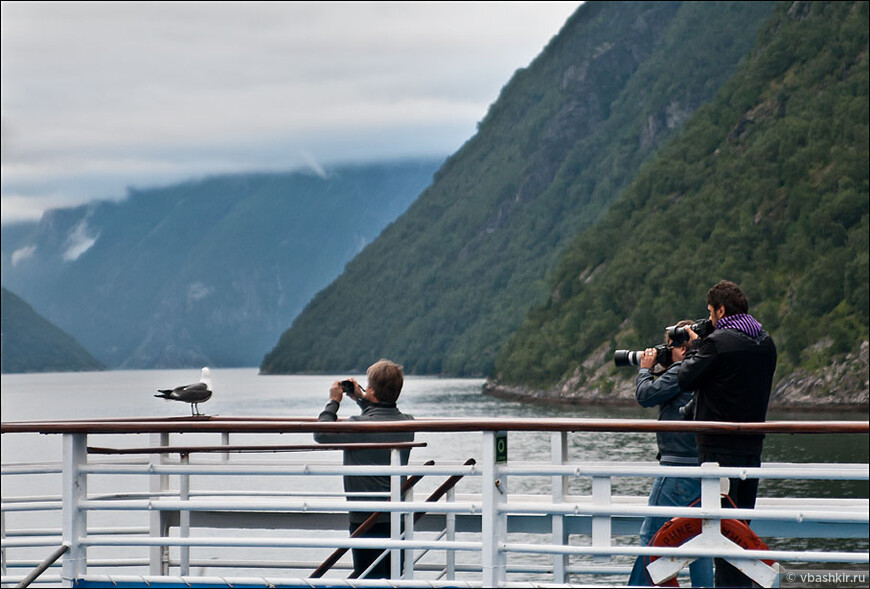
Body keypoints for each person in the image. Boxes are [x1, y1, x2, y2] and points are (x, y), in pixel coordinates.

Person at [678, 280, 777, 587]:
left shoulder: (717, 344)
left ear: (721, 310)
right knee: (741, 530)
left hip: (717, 453)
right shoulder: (765, 342)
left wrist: (695, 345)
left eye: (711, 312)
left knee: (722, 534)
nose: (709, 319)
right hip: (751, 449)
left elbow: (685, 378)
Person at [627, 320, 714, 588]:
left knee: (651, 538)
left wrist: (645, 369)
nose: (673, 350)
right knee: (700, 542)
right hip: (704, 470)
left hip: (677, 470)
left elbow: (646, 395)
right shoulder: (709, 368)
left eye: (675, 344)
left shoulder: (683, 371)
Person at [313, 359, 414, 579]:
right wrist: (362, 399)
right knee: (395, 577)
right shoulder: (408, 423)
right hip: (398, 518)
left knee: (368, 579)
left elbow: (320, 433)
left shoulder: (357, 425)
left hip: (365, 519)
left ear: (372, 391)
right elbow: (380, 417)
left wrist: (333, 401)